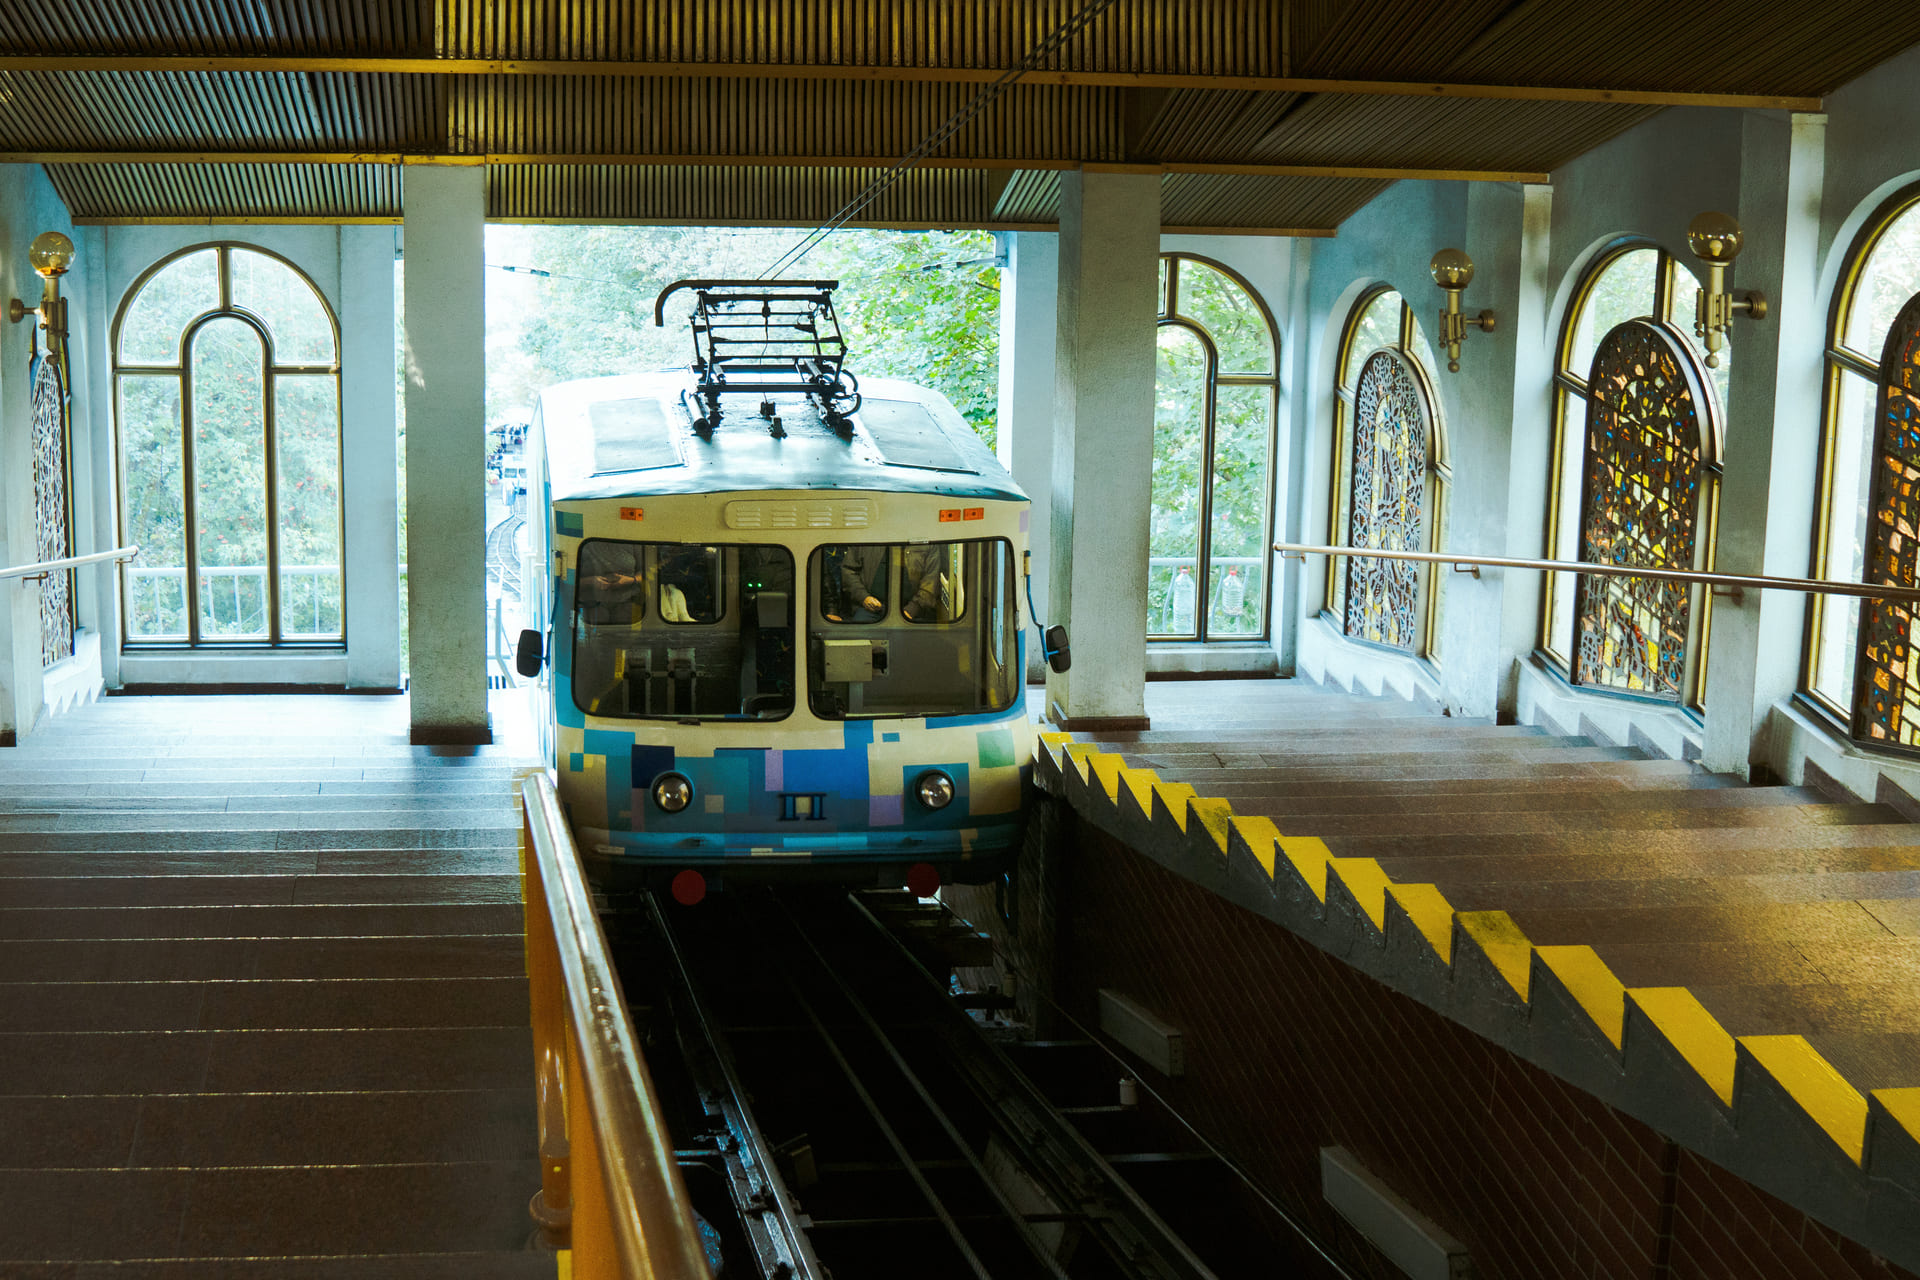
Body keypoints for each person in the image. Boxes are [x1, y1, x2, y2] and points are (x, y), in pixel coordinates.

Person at [576, 542, 644, 625]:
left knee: (625, 636)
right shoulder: (585, 542)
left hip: (627, 603)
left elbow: (647, 571)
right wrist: (591, 581)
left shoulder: (633, 540)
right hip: (593, 606)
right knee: (596, 636)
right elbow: (569, 580)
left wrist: (632, 580)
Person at [827, 544, 889, 622]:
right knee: (859, 628)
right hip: (868, 608)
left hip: (903, 609)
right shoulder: (864, 543)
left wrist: (909, 609)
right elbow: (848, 572)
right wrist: (864, 597)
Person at [901, 544, 947, 622]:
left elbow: (930, 583)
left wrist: (912, 609)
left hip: (917, 611)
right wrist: (872, 597)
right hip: (881, 609)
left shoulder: (930, 545)